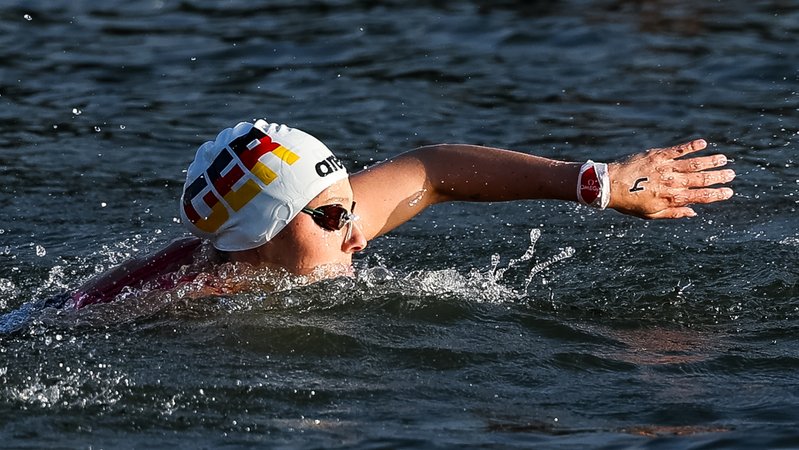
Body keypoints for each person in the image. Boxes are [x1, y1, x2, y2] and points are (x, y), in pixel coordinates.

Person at [5, 119, 735, 316]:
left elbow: (432, 170)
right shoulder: (165, 304)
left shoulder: (297, 230)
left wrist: (596, 183)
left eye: (350, 209)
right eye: (331, 219)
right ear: (257, 236)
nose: (358, 233)